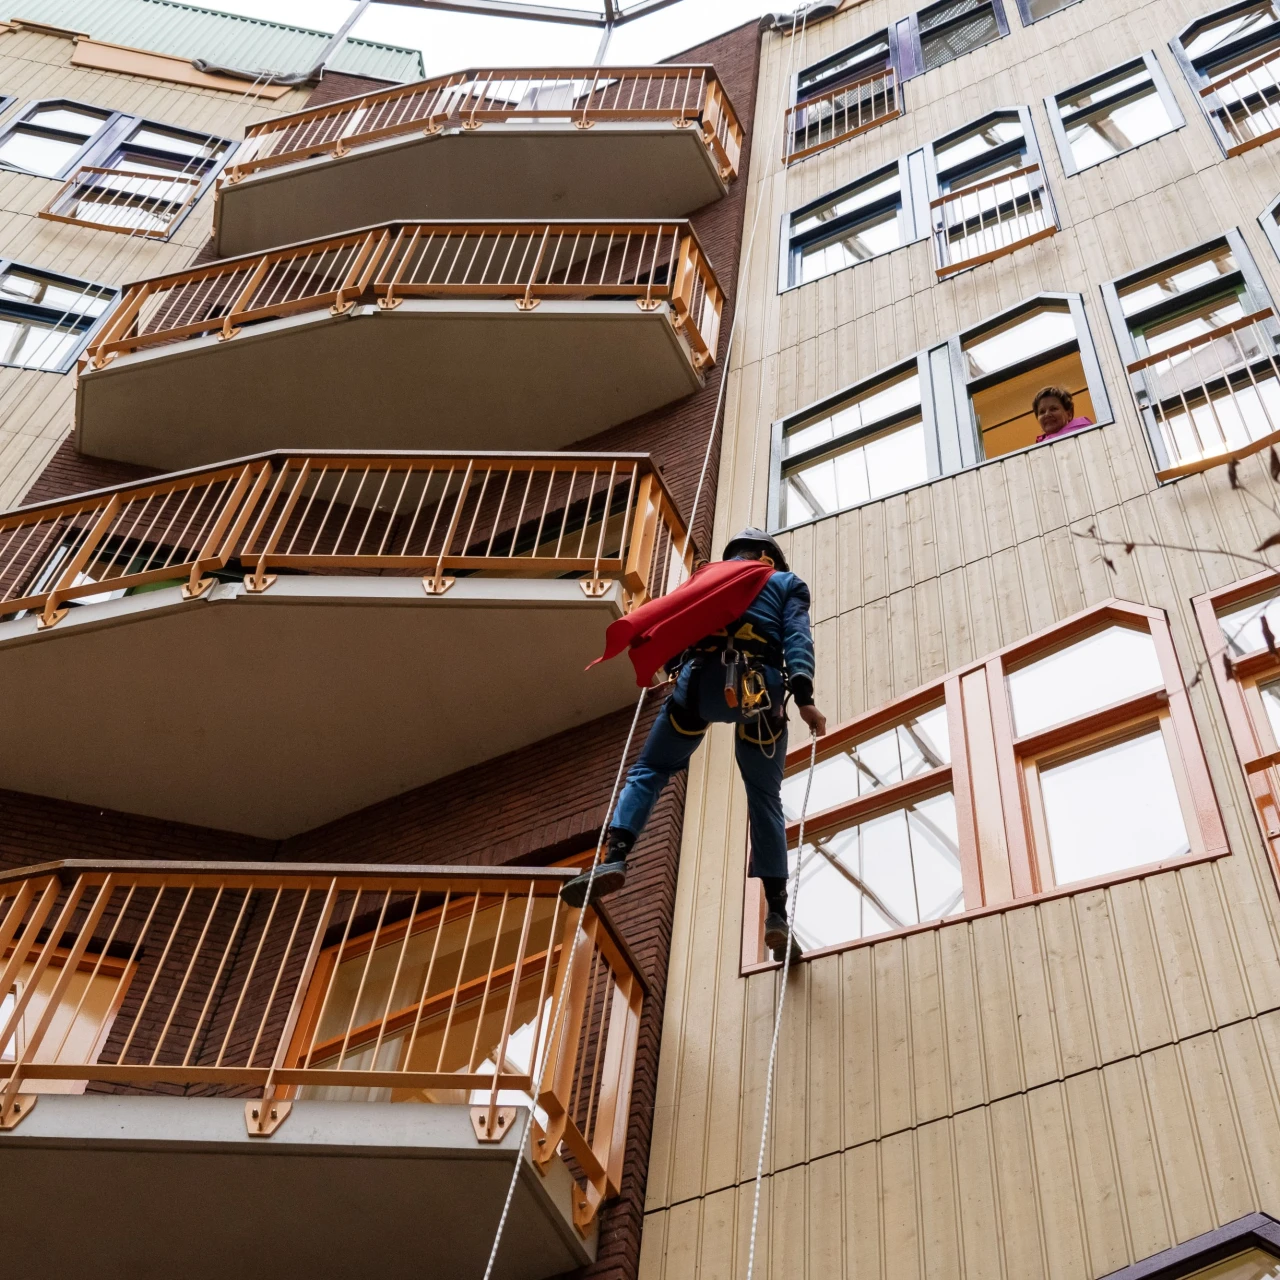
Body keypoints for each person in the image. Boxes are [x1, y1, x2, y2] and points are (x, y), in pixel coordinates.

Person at [560, 529, 827, 960]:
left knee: (650, 770)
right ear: (766, 558)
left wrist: (668, 667)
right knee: (764, 798)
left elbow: (670, 629)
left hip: (698, 688)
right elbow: (798, 638)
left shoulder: (705, 577)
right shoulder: (783, 583)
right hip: (759, 694)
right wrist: (806, 699)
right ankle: (776, 913)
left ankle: (617, 855)